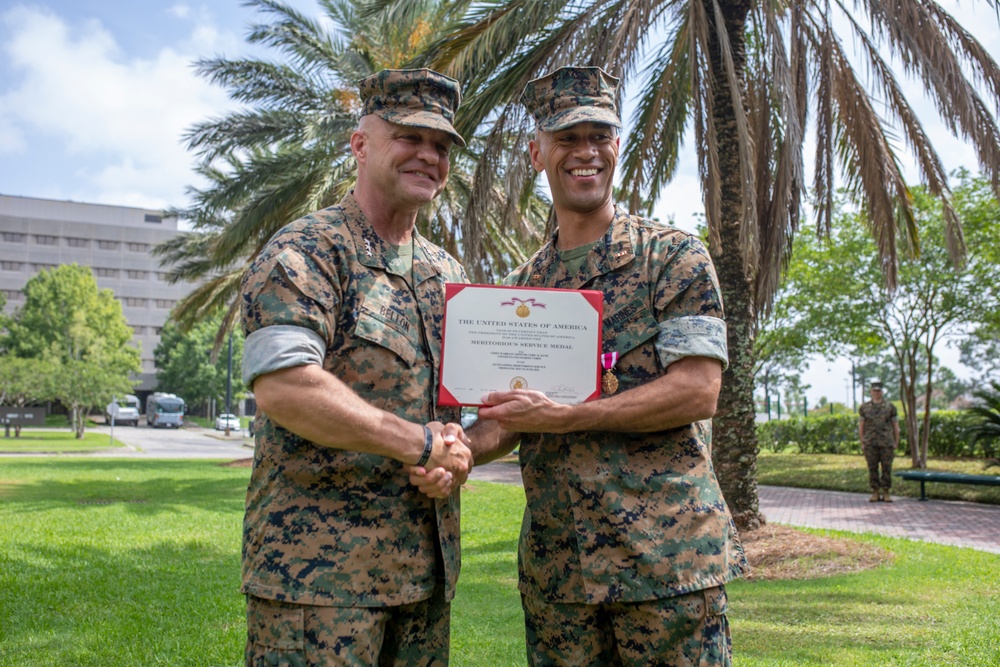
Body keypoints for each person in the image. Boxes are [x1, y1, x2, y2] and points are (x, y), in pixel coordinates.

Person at [474, 66, 749, 666]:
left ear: (617, 146)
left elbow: (697, 391)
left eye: (599, 134)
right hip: (560, 581)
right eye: (566, 138)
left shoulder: (672, 257)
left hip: (667, 568)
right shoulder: (523, 292)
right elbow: (508, 418)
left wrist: (569, 416)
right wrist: (442, 449)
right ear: (536, 153)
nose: (585, 152)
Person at [238, 68, 474, 666]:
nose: (429, 155)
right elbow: (285, 387)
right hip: (318, 583)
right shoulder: (307, 251)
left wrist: (457, 453)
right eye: (410, 136)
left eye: (442, 145)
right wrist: (418, 445)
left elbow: (460, 414)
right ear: (361, 143)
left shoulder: (448, 276)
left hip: (424, 577)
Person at [858, 379, 900, 502]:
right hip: (870, 442)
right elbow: (861, 425)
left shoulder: (890, 407)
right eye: (874, 391)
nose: (876, 393)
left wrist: (896, 441)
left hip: (886, 442)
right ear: (871, 392)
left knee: (887, 468)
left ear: (882, 392)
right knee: (872, 467)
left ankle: (886, 492)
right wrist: (862, 441)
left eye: (879, 391)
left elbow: (895, 425)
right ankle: (875, 491)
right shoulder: (864, 408)